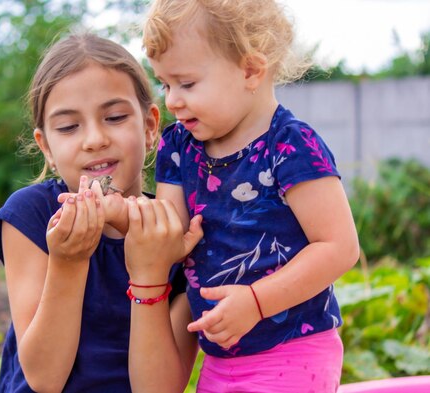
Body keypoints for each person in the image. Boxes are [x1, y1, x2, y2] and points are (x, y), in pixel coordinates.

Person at [142, 0, 361, 391]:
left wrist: (257, 302)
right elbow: (168, 234)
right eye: (165, 83)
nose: (172, 99)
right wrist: (118, 213)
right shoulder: (178, 145)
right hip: (220, 356)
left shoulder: (290, 145)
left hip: (293, 350)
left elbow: (339, 246)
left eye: (186, 83)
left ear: (250, 70)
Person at [0, 32, 203, 393]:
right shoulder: (31, 215)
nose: (94, 139)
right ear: (47, 147)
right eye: (69, 127)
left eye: (115, 117)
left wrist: (150, 271)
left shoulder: (176, 229)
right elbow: (43, 378)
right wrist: (69, 261)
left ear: (151, 126)